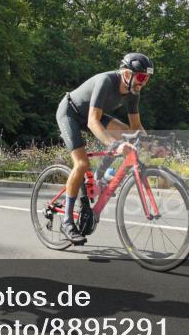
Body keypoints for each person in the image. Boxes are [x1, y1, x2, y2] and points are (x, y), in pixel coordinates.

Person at [56, 53, 153, 244]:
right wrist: (114, 145)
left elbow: (135, 127)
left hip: (93, 116)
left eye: (147, 78)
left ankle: (100, 177)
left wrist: (153, 144)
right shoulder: (105, 81)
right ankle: (67, 221)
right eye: (141, 77)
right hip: (70, 113)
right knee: (82, 164)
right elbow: (93, 122)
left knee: (128, 134)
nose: (143, 82)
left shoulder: (134, 91)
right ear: (126, 73)